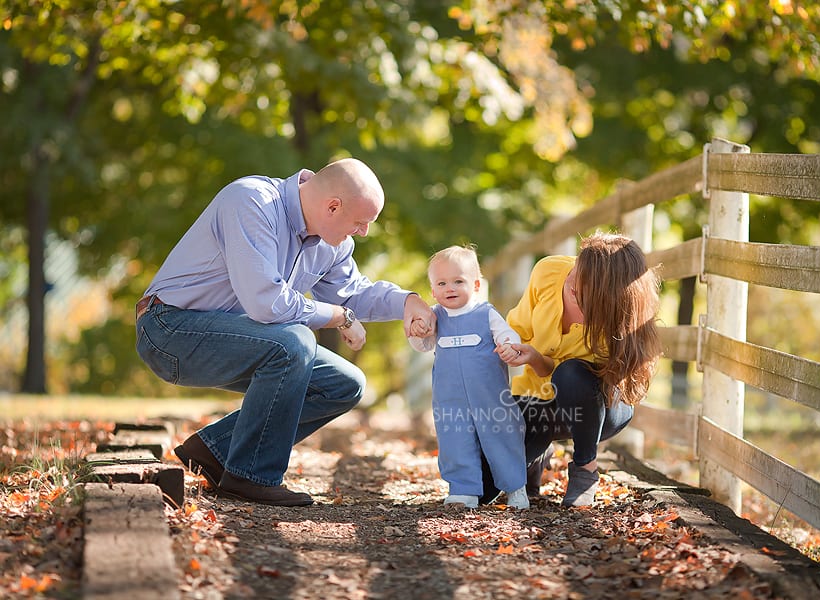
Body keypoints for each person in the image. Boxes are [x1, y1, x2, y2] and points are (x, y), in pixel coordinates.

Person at [135, 158, 435, 507]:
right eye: (360, 222)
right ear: (333, 206)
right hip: (169, 329)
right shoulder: (251, 201)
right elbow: (266, 302)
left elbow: (350, 293)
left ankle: (216, 451)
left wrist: (406, 301)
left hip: (232, 337)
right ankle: (251, 476)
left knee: (344, 383)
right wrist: (339, 317)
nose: (364, 232)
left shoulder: (331, 243)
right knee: (295, 342)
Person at [482, 231, 661, 507]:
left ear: (607, 298)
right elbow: (516, 328)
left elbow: (599, 384)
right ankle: (534, 456)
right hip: (538, 401)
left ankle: (585, 469)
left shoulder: (616, 321)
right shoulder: (550, 271)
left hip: (597, 407)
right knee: (484, 489)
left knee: (572, 373)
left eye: (579, 289)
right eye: (572, 274)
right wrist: (511, 349)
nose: (570, 283)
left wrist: (550, 366)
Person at [409, 246, 529, 509]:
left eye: (458, 281)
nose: (449, 288)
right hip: (450, 398)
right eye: (441, 283)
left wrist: (508, 345)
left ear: (475, 284)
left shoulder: (485, 313)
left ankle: (516, 488)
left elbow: (507, 334)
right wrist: (418, 332)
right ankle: (463, 490)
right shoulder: (435, 316)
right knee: (454, 439)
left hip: (490, 395)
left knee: (502, 435)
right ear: (432, 290)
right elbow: (424, 345)